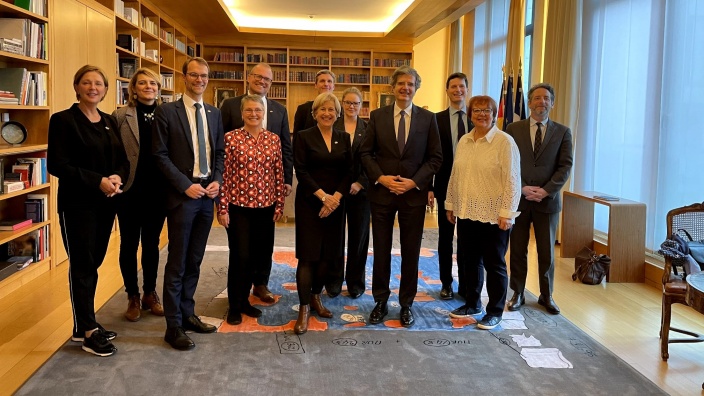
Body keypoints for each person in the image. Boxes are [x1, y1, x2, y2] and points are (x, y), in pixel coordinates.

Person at [47, 65, 129, 356]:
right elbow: (58, 165)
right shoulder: (63, 120)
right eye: (86, 82)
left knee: (92, 264)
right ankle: (88, 331)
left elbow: (121, 159)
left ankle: (83, 325)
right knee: (82, 266)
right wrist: (99, 182)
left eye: (99, 83)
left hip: (106, 204)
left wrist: (118, 177)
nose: (93, 87)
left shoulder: (108, 120)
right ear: (77, 86)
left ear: (106, 89)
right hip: (77, 205)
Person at [359, 65, 442, 328]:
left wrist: (414, 183)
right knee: (381, 250)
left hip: (412, 196)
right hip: (382, 194)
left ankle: (406, 304)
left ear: (416, 88)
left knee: (411, 252)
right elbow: (365, 153)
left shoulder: (428, 119)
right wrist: (380, 178)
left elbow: (435, 158)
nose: (405, 88)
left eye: (411, 84)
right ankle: (381, 301)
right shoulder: (377, 116)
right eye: (401, 84)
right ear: (392, 87)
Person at [153, 57, 225, 350]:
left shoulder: (214, 113)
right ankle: (173, 326)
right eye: (194, 75)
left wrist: (217, 180)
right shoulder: (166, 112)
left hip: (207, 196)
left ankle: (187, 314)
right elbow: (159, 155)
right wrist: (186, 185)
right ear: (184, 77)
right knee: (178, 261)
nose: (199, 79)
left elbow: (219, 151)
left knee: (195, 259)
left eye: (204, 75)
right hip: (183, 196)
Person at [445, 95, 521, 330]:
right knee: (470, 261)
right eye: (476, 110)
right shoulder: (465, 141)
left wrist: (507, 213)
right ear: (470, 114)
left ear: (494, 112)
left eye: (486, 110)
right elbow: (456, 175)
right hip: (467, 210)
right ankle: (472, 303)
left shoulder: (504, 142)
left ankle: (495, 311)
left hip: (494, 215)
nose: (481, 114)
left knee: (494, 263)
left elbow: (513, 179)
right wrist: (451, 204)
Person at [220, 63, 293, 304]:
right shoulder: (230, 106)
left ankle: (260, 284)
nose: (263, 81)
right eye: (258, 77)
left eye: (268, 79)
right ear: (248, 77)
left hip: (267, 196)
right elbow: (222, 154)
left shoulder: (279, 111)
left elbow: (285, 147)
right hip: (238, 195)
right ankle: (237, 298)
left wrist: (286, 182)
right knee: (241, 252)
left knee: (264, 246)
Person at [217, 94, 285, 325]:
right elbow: (224, 176)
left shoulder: (273, 139)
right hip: (239, 208)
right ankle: (234, 304)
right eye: (249, 110)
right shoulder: (230, 138)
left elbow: (278, 172)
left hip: (265, 207)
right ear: (242, 112)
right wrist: (222, 208)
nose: (254, 114)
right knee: (240, 256)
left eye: (258, 110)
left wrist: (279, 204)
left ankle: (245, 301)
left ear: (263, 113)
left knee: (258, 256)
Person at [506, 83, 573, 315]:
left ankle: (547, 295)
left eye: (546, 98)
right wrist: (522, 188)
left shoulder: (563, 132)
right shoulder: (513, 129)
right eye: (536, 98)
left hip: (548, 201)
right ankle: (518, 293)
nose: (541, 102)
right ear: (529, 103)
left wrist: (546, 191)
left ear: (552, 103)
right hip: (520, 199)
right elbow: (508, 162)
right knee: (517, 249)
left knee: (546, 251)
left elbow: (565, 166)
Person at [293, 92, 352, 334]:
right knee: (308, 256)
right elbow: (302, 170)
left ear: (338, 114)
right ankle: (304, 307)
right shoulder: (304, 137)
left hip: (336, 205)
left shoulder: (344, 137)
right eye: (322, 109)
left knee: (328, 255)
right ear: (315, 113)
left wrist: (335, 198)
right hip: (310, 203)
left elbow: (349, 171)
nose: (327, 113)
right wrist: (323, 197)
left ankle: (316, 297)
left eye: (332, 110)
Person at [112, 68, 166, 322]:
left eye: (153, 83)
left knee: (152, 243)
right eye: (142, 83)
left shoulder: (167, 114)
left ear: (158, 87)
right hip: (130, 189)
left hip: (158, 189)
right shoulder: (121, 115)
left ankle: (150, 292)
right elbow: (112, 151)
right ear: (133, 88)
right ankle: (132, 295)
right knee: (129, 243)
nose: (148, 87)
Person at [429, 72, 473, 301]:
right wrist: (429, 186)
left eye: (461, 86)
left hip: (472, 188)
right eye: (453, 87)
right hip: (445, 185)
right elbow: (429, 156)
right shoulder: (435, 120)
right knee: (445, 238)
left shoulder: (477, 119)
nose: (458, 90)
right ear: (447, 91)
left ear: (467, 89)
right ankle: (446, 283)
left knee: (468, 238)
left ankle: (467, 284)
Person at [329, 87, 369, 298]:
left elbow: (374, 158)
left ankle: (355, 282)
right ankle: (334, 280)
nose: (352, 107)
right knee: (335, 237)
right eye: (348, 103)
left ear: (361, 106)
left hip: (361, 192)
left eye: (356, 103)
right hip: (336, 191)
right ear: (341, 104)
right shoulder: (332, 125)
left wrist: (361, 182)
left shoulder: (368, 128)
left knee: (359, 237)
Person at [293, 69, 336, 135]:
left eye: (329, 81)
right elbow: (297, 138)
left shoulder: (341, 111)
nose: (326, 84)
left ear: (333, 86)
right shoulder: (303, 110)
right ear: (315, 85)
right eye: (322, 81)